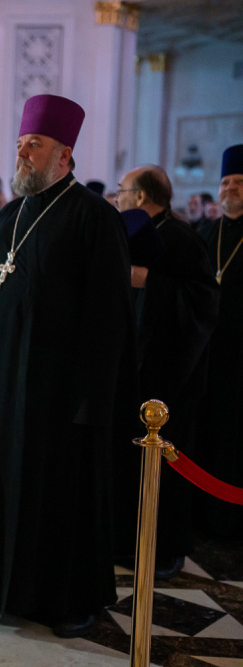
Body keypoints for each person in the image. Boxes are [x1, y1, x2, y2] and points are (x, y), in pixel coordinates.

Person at [0, 94, 137, 638]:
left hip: (58, 395)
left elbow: (109, 318)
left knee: (57, 499)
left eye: (35, 144)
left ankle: (64, 601)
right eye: (20, 144)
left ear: (64, 155)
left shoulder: (95, 218)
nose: (23, 153)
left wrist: (91, 400)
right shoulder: (9, 215)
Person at [113, 166, 218, 576]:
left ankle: (167, 548)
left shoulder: (180, 237)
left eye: (123, 190)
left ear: (141, 196)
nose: (118, 197)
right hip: (135, 368)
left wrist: (150, 281)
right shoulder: (137, 232)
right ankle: (127, 540)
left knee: (167, 466)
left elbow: (203, 302)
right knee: (130, 462)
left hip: (172, 374)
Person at [195, 144, 243, 538]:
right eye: (226, 182)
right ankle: (203, 516)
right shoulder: (206, 233)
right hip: (207, 352)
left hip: (240, 356)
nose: (230, 188)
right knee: (206, 432)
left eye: (239, 182)